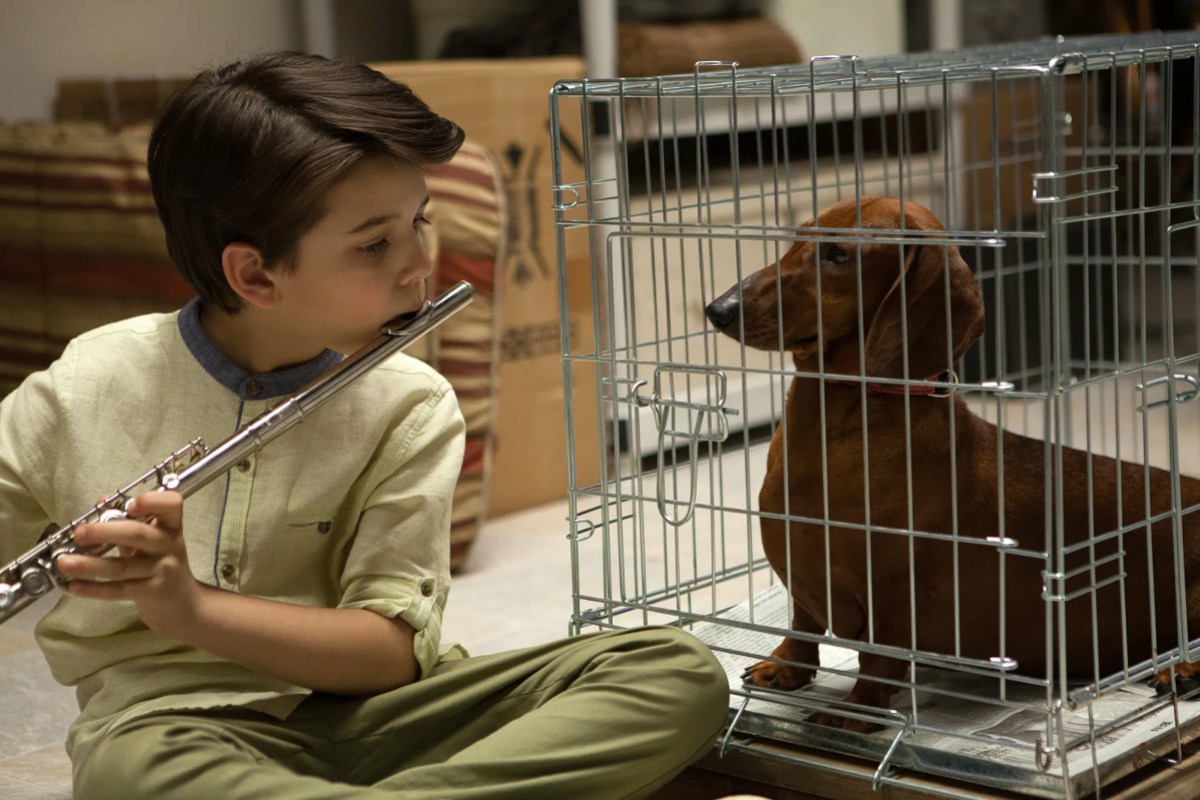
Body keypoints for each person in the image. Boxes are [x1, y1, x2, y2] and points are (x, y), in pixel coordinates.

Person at [0, 51, 729, 799]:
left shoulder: (409, 403)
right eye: (374, 243)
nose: (420, 264)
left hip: (385, 718)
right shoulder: (85, 386)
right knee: (132, 778)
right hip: (178, 726)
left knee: (673, 669)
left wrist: (192, 607)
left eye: (419, 221)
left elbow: (391, 656)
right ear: (255, 275)